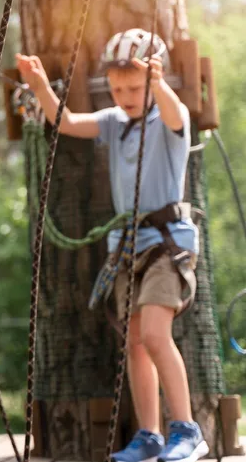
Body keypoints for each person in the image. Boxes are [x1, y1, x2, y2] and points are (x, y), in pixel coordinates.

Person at [16, 28, 208, 462]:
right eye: (118, 88)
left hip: (165, 245)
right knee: (136, 343)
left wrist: (158, 85)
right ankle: (149, 434)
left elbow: (176, 112)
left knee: (157, 335)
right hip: (127, 248)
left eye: (134, 87)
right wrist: (40, 86)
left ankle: (188, 429)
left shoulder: (168, 122)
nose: (125, 96)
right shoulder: (114, 122)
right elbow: (65, 122)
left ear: (153, 83)